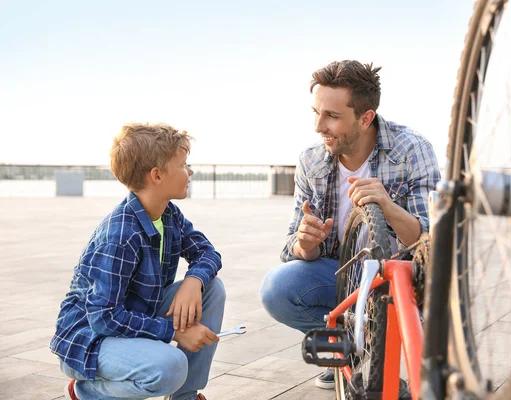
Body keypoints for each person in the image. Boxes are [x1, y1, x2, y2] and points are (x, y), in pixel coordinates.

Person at [259, 60, 440, 390]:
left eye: (331, 116)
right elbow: (291, 247)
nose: (318, 125)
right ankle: (351, 353)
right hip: (340, 276)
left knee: (429, 365)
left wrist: (388, 207)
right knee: (277, 289)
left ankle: (360, 353)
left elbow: (429, 242)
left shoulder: (413, 150)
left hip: (397, 279)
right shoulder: (311, 159)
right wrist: (304, 245)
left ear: (365, 117)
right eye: (315, 112)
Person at [50, 123, 226, 400]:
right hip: (91, 340)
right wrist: (174, 333)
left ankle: (185, 396)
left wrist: (193, 281)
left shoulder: (169, 214)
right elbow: (104, 317)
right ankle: (85, 391)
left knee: (212, 288)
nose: (190, 171)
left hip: (135, 314)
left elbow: (207, 253)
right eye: (184, 165)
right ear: (157, 175)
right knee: (170, 367)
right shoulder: (121, 234)